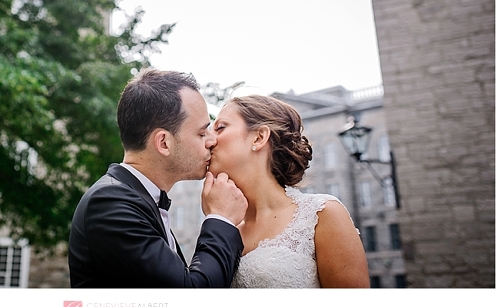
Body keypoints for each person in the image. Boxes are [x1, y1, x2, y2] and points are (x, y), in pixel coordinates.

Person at [68, 69, 248, 288]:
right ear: (164, 143)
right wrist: (222, 219)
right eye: (201, 133)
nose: (212, 140)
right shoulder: (110, 204)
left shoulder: (136, 198)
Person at [209, 94, 370, 288]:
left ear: (259, 137)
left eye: (220, 128)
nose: (209, 139)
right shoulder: (223, 229)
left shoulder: (321, 215)